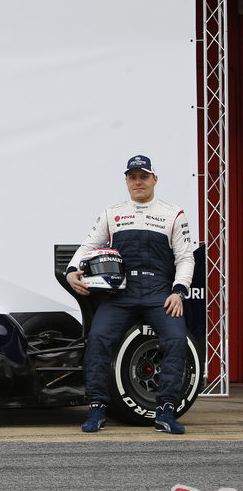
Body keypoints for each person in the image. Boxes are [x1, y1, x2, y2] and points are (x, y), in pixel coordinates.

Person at [65, 155, 194, 435]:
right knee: (98, 338)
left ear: (154, 180)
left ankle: (166, 410)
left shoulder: (173, 213)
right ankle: (97, 407)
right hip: (121, 293)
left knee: (175, 339)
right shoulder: (112, 212)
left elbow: (185, 258)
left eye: (143, 176)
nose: (138, 182)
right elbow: (89, 245)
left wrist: (178, 291)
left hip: (160, 292)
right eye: (132, 177)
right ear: (126, 180)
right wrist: (72, 270)